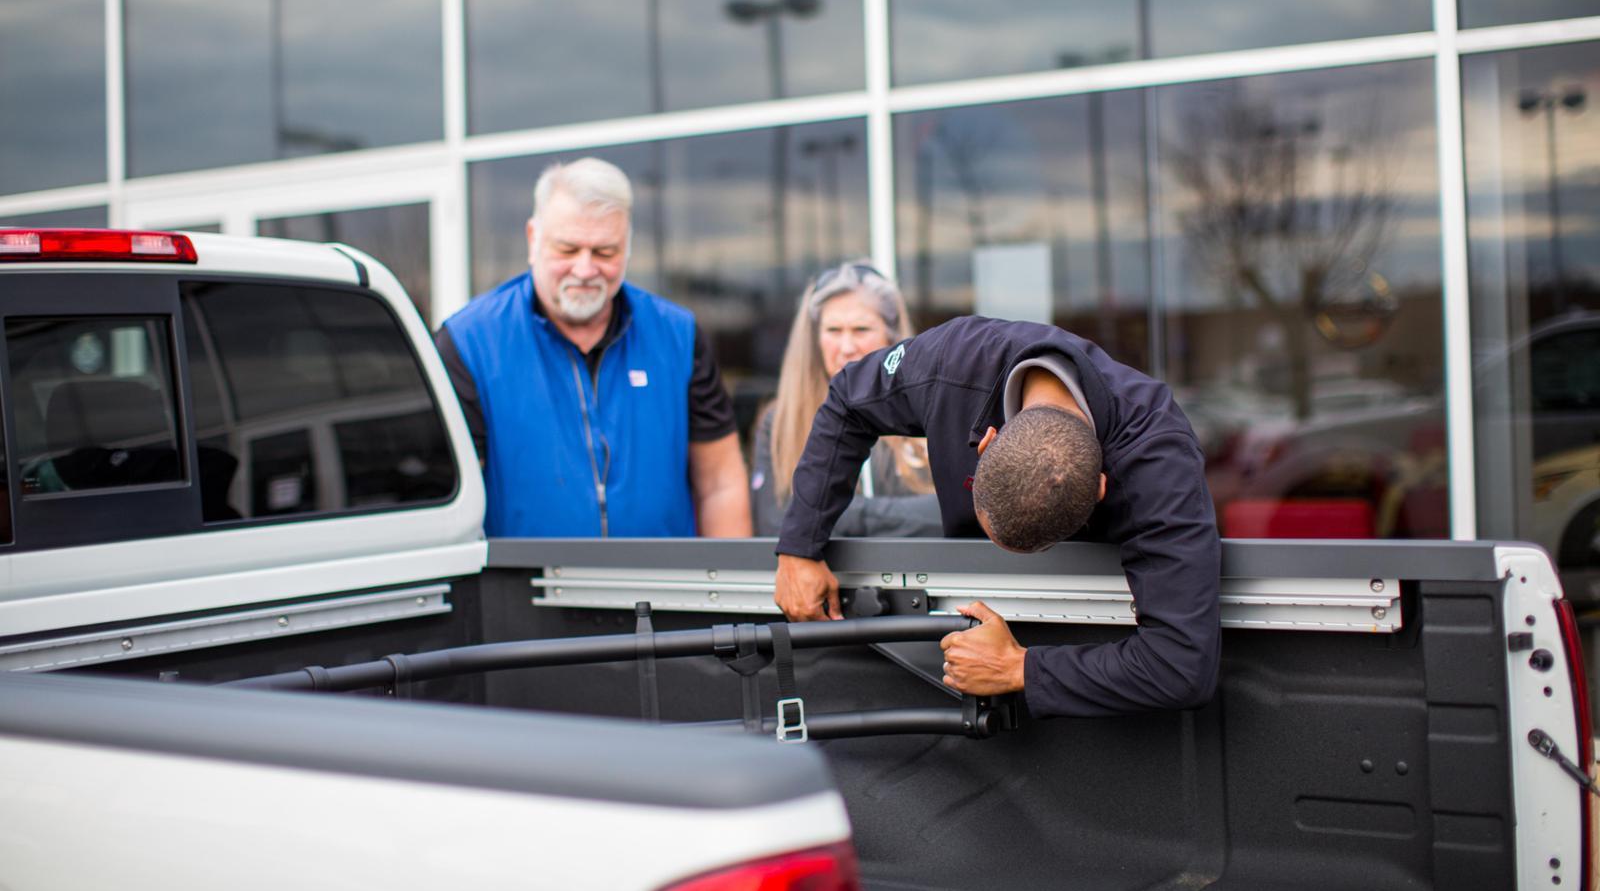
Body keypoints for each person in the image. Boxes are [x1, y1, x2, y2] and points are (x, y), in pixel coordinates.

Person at [773, 316, 1221, 717]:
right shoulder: (953, 361)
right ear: (987, 442)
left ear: (1102, 487)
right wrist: (799, 545)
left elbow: (1180, 666)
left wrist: (1021, 667)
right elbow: (849, 399)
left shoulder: (1161, 465)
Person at [435, 157, 751, 538]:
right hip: (524, 589)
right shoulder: (470, 342)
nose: (585, 270)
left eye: (604, 252)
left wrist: (720, 590)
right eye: (568, 250)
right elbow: (447, 501)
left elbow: (720, 482)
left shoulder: (677, 336)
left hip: (662, 586)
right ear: (533, 239)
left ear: (628, 247)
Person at [751, 261, 942, 537]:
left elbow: (952, 515)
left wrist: (829, 512)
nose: (847, 347)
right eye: (833, 331)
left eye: (861, 329)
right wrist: (896, 518)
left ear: (892, 336)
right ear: (815, 339)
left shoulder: (929, 411)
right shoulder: (780, 421)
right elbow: (776, 523)